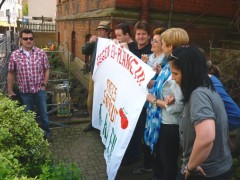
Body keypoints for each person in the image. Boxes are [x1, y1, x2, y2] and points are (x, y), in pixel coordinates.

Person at [168, 45, 233, 180]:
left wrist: (191, 166)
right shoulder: (205, 85)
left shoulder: (199, 95)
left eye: (175, 73)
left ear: (189, 72)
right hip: (214, 169)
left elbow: (206, 137)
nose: (173, 78)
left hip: (205, 172)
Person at [134, 28, 189, 180]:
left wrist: (154, 100)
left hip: (168, 124)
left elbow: (177, 106)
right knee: (160, 159)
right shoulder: (169, 63)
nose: (160, 46)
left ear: (171, 46)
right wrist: (153, 82)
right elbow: (163, 86)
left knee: (167, 162)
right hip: (160, 122)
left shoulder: (178, 69)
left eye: (162, 43)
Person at [7, 29, 50, 139]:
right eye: (26, 38)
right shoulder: (15, 55)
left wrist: (44, 85)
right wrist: (9, 89)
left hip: (39, 90)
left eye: (30, 38)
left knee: (44, 114)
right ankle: (31, 136)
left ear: (33, 39)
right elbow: (11, 73)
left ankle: (46, 133)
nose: (28, 40)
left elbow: (47, 69)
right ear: (21, 40)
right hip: (25, 92)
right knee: (28, 115)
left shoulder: (41, 53)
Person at [121, 21, 152, 166]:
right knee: (129, 125)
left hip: (144, 97)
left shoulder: (151, 52)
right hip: (130, 94)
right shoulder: (132, 49)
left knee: (139, 126)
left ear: (148, 36)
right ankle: (130, 151)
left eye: (143, 34)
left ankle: (134, 155)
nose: (140, 37)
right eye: (138, 34)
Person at [82, 21, 112, 132]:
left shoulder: (112, 43)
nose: (99, 32)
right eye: (98, 30)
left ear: (107, 31)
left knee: (104, 102)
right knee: (90, 101)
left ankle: (102, 125)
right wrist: (90, 42)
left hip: (106, 77)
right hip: (94, 75)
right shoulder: (95, 42)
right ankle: (92, 123)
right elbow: (84, 51)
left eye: (101, 30)